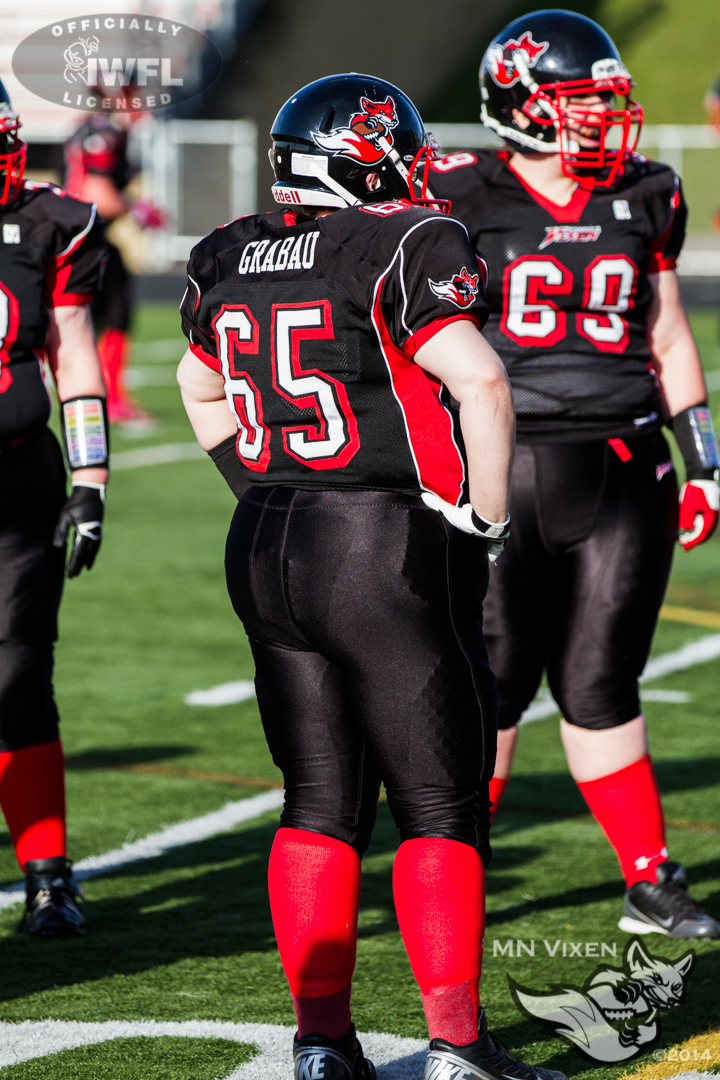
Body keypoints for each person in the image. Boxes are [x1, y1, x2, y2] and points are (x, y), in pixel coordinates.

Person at [178, 73, 566, 1080]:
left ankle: (320, 1047)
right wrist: (482, 516)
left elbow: (197, 383)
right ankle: (457, 1046)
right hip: (377, 541)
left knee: (315, 800)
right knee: (441, 806)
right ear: (360, 154)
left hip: (266, 539)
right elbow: (478, 379)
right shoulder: (403, 239)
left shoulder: (227, 249)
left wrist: (261, 484)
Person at [430, 9, 720, 940]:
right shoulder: (457, 196)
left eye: (603, 101)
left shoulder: (647, 192)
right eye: (580, 102)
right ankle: (457, 863)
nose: (601, 119)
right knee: (497, 680)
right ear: (520, 105)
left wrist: (705, 460)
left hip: (625, 466)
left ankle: (647, 876)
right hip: (500, 467)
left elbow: (669, 333)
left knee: (601, 681)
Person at [0, 82, 109, 935]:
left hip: (17, 477)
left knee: (20, 674)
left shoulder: (50, 224)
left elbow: (72, 353)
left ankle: (47, 874)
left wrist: (93, 479)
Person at [64, 95, 163, 423]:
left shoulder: (90, 128)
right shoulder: (104, 133)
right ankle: (106, 397)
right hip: (82, 238)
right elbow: (95, 195)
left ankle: (101, 395)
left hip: (82, 236)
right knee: (108, 313)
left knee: (103, 313)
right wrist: (137, 210)